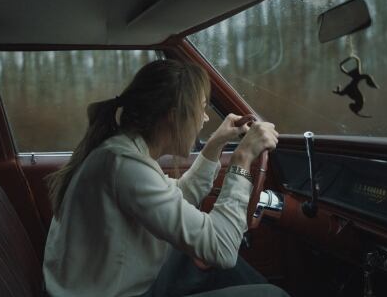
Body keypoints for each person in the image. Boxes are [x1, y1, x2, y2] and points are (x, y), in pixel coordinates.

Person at [43, 59, 287, 297]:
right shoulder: (124, 165)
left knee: (197, 260)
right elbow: (222, 248)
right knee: (271, 294)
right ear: (174, 116)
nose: (205, 118)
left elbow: (179, 198)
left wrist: (215, 144)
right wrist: (242, 159)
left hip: (115, 284)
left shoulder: (122, 151)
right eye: (200, 108)